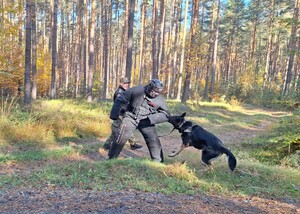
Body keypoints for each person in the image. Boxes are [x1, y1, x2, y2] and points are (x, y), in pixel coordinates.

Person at [108, 79, 170, 162]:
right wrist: (114, 115)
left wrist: (152, 119)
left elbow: (166, 114)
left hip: (146, 120)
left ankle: (158, 162)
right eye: (154, 91)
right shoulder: (136, 90)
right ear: (150, 87)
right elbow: (120, 100)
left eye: (158, 92)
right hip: (130, 117)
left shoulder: (160, 100)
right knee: (121, 137)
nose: (156, 94)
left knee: (154, 140)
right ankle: (111, 158)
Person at [103, 77, 143, 151]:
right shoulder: (119, 93)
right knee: (120, 130)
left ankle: (107, 145)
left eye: (127, 83)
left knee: (122, 130)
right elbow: (120, 105)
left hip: (124, 114)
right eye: (125, 83)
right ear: (121, 83)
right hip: (120, 115)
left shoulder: (125, 91)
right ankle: (132, 144)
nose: (126, 85)